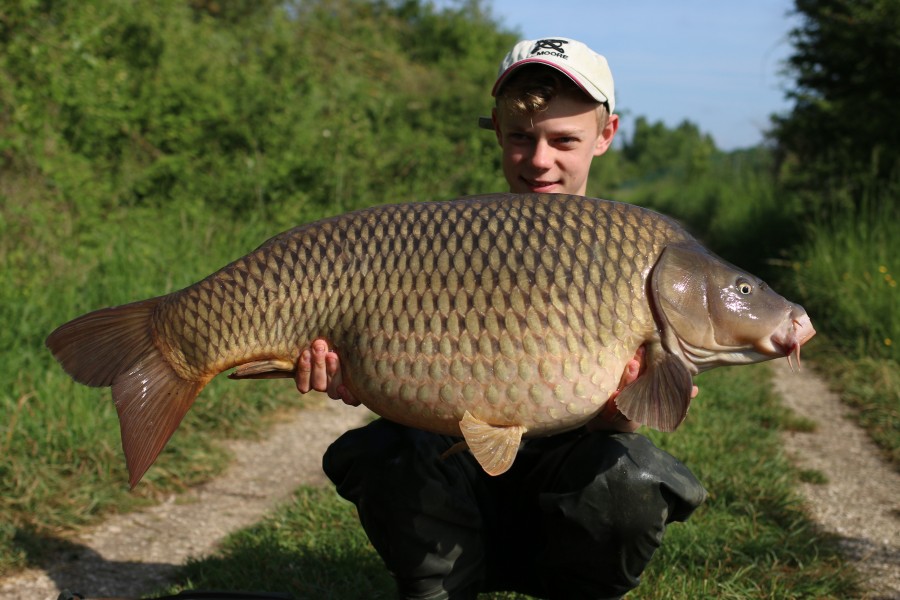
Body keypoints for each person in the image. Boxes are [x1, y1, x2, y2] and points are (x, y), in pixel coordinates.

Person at [295, 37, 707, 599]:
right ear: (496, 130)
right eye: (520, 137)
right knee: (383, 451)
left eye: (564, 140)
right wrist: (357, 372)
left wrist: (621, 413)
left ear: (605, 136)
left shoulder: (636, 261)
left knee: (630, 475)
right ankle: (443, 587)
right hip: (455, 472)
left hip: (559, 497)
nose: (540, 160)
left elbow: (621, 429)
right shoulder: (451, 241)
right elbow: (384, 357)